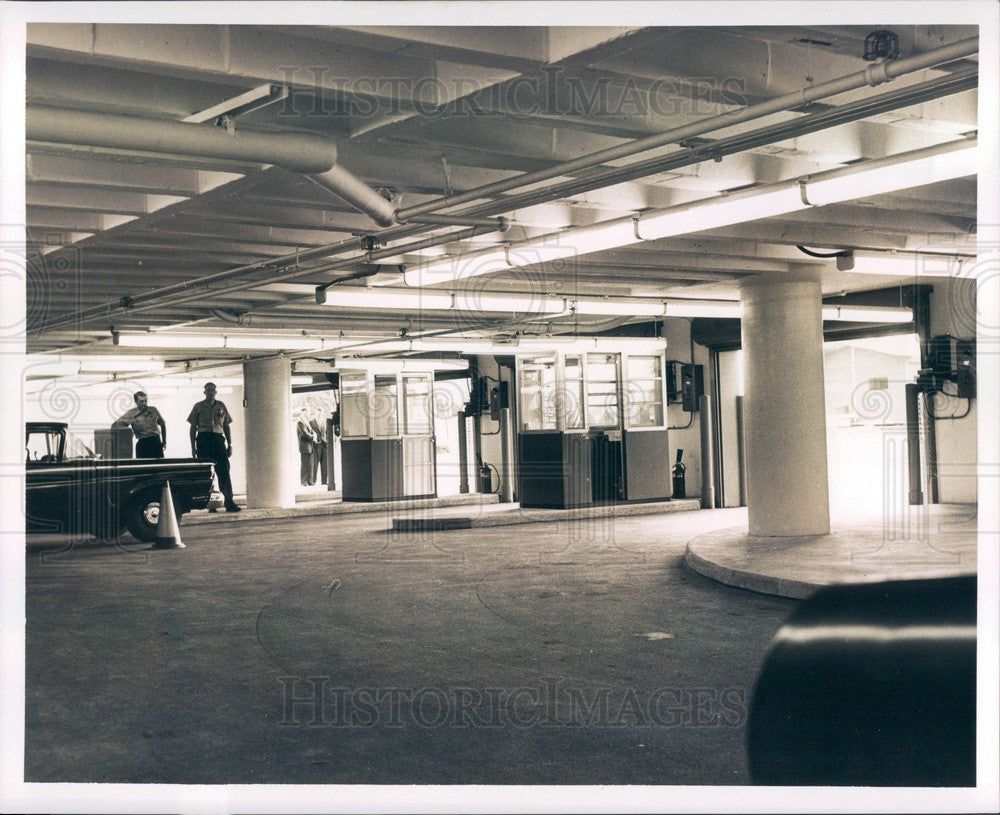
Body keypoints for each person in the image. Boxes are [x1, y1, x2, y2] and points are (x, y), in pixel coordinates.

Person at [187, 382, 240, 512]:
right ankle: (210, 504)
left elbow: (226, 425)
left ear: (216, 392)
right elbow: (193, 427)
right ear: (204, 392)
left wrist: (230, 444)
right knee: (207, 473)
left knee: (224, 471)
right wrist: (193, 447)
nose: (211, 391)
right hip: (204, 439)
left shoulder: (221, 406)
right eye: (208, 390)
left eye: (213, 389)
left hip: (218, 440)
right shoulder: (198, 406)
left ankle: (229, 502)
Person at [112, 391, 166, 458]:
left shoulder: (153, 410)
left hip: (156, 442)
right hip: (143, 444)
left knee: (159, 466)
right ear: (136, 401)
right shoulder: (131, 413)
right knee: (142, 467)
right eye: (141, 401)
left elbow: (163, 424)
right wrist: (128, 432)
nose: (144, 403)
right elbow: (115, 425)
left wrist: (164, 442)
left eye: (146, 401)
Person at [296, 408, 317, 486]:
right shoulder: (300, 422)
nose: (307, 414)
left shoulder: (306, 421)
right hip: (304, 446)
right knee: (305, 464)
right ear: (303, 413)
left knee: (310, 464)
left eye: (307, 413)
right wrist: (312, 436)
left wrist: (313, 434)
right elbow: (304, 433)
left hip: (309, 445)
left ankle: (310, 480)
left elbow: (310, 431)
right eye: (306, 413)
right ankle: (303, 481)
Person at [309, 410, 328, 486]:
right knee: (315, 463)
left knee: (325, 463)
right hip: (316, 444)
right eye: (318, 411)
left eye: (321, 412)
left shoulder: (325, 421)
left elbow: (327, 432)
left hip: (325, 444)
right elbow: (310, 432)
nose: (319, 413)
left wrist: (327, 441)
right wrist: (313, 440)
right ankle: (313, 480)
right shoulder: (311, 421)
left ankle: (324, 481)